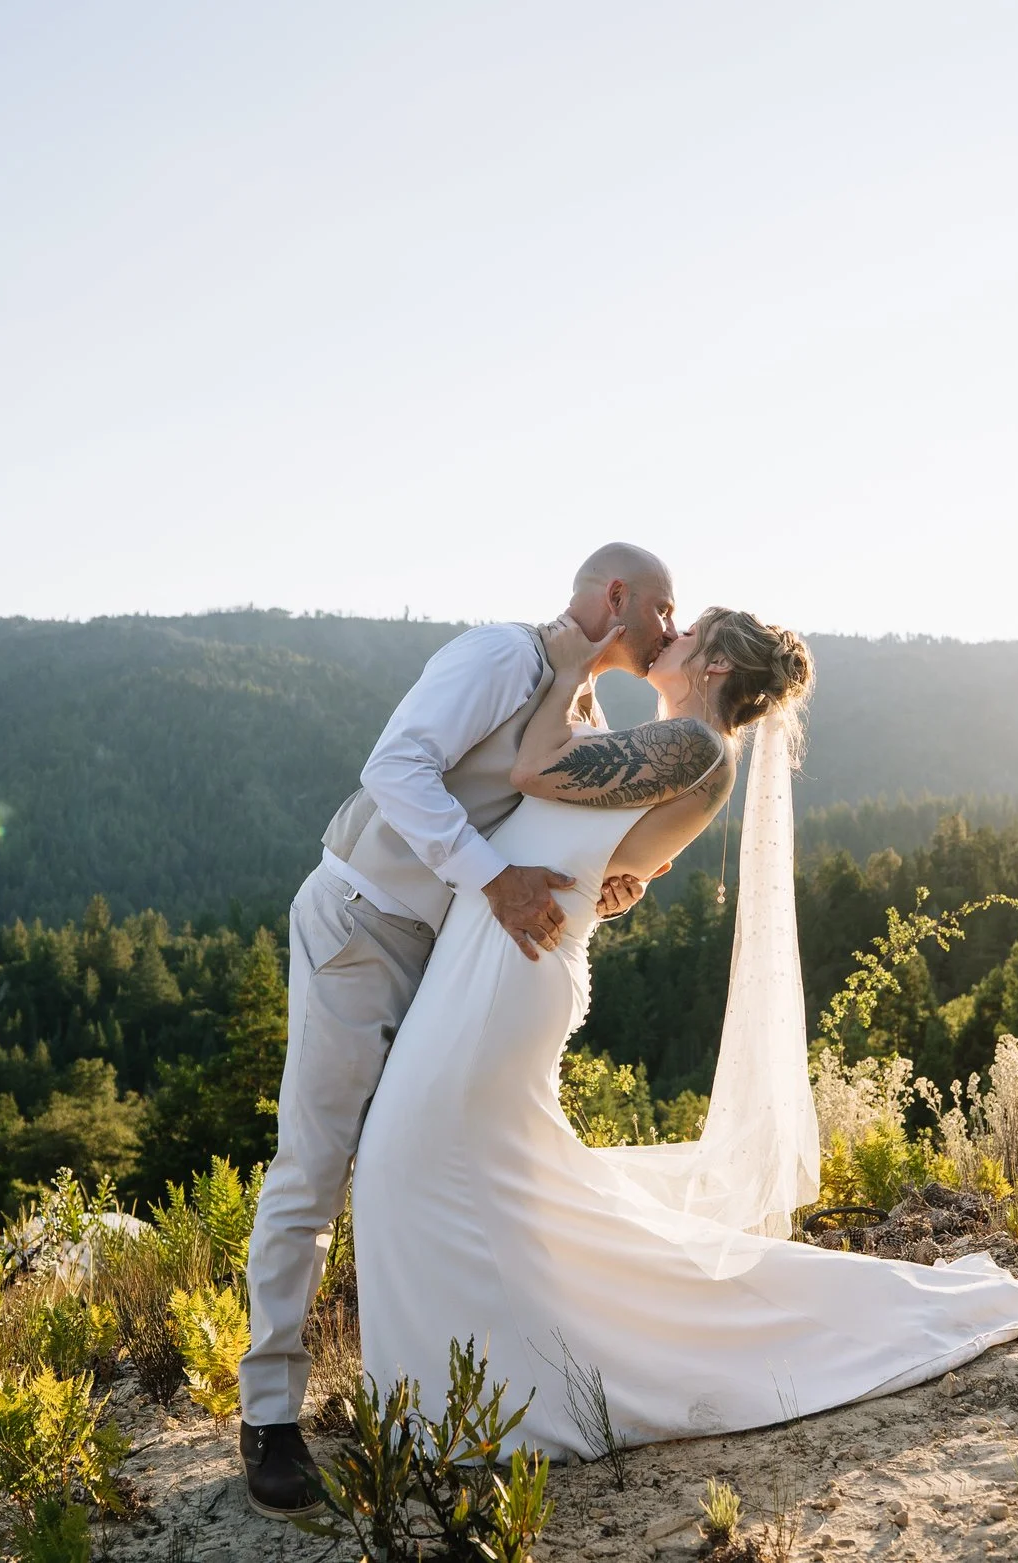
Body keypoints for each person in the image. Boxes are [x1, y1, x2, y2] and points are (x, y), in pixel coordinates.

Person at [352, 610, 1018, 1462]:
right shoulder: (674, 745)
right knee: (465, 1177)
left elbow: (532, 768)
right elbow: (604, 867)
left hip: (506, 976)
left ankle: (483, 1395)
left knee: (410, 1160)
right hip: (503, 958)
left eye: (690, 630)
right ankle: (493, 1379)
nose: (672, 633)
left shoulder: (696, 748)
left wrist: (574, 658)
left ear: (715, 661)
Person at [237, 543, 680, 1518]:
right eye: (661, 607)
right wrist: (491, 878)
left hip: (454, 958)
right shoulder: (499, 658)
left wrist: (606, 882)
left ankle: (432, 1384)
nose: (670, 629)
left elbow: (541, 834)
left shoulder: (586, 710)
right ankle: (268, 1412)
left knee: (429, 1160)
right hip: (360, 925)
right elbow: (394, 768)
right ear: (617, 597)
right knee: (313, 1164)